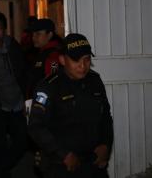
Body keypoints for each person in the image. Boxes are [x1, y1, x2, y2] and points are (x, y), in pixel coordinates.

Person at [28, 33, 114, 178]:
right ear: (62, 60)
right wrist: (63, 155)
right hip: (62, 165)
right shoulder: (49, 86)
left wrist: (106, 145)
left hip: (92, 163)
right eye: (76, 60)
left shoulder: (94, 81)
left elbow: (105, 117)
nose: (82, 66)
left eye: (86, 60)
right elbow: (36, 127)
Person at [0, 11, 29, 178]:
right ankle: (1, 172)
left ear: (5, 29)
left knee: (23, 140)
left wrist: (28, 95)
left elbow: (24, 70)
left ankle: (1, 169)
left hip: (17, 103)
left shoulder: (13, 46)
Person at [27, 18, 62, 97]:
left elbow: (53, 83)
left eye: (38, 34)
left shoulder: (53, 55)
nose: (34, 37)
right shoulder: (42, 52)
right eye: (33, 34)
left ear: (49, 35)